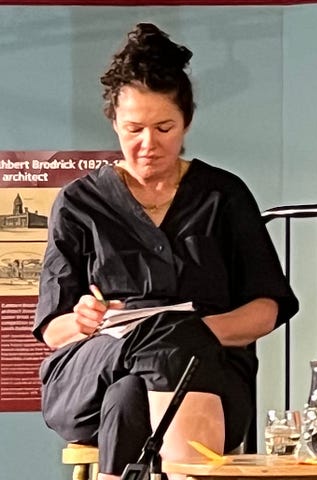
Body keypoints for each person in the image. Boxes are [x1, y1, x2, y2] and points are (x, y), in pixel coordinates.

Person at [34, 23, 299, 479]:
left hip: (206, 372)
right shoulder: (79, 203)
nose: (148, 144)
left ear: (187, 122)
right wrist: (79, 321)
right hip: (91, 372)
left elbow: (265, 309)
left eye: (164, 128)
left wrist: (191, 334)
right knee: (159, 344)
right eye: (133, 129)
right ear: (114, 123)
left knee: (134, 389)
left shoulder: (223, 195)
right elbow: (54, 330)